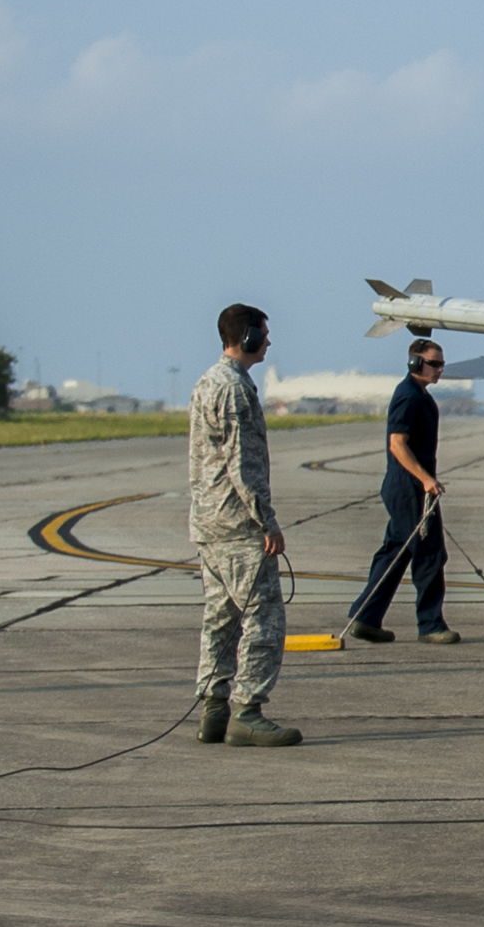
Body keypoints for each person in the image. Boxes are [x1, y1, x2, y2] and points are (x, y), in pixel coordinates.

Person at [190, 303, 300, 747]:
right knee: (264, 618)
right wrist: (267, 522)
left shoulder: (207, 381)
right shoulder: (234, 388)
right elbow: (243, 464)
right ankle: (248, 711)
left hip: (209, 522)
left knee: (220, 618)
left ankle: (214, 709)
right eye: (263, 334)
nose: (268, 341)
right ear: (248, 337)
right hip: (239, 525)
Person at [346, 338, 458, 645]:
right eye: (434, 363)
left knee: (395, 553)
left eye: (441, 364)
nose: (439, 369)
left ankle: (366, 618)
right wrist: (425, 479)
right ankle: (431, 625)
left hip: (410, 486)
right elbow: (397, 444)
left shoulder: (420, 396)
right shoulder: (408, 396)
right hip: (409, 487)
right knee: (430, 554)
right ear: (415, 363)